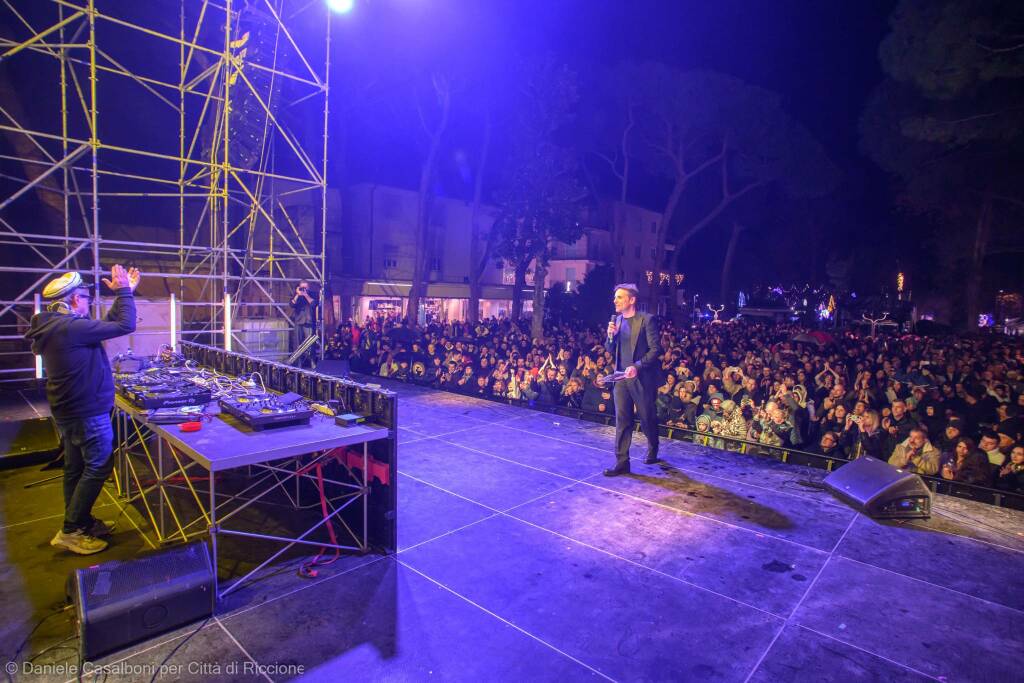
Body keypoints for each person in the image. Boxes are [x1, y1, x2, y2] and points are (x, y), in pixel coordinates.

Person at [25, 266, 139, 555]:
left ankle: (79, 522)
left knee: (75, 468)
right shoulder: (70, 327)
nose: (88, 302)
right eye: (85, 297)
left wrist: (126, 295)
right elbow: (126, 325)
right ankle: (72, 530)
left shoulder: (57, 327)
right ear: (74, 300)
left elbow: (111, 323)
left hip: (71, 411)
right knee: (99, 465)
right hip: (87, 412)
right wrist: (124, 291)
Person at [603, 283, 660, 476]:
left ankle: (653, 446)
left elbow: (655, 350)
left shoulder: (647, 320)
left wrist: (637, 366)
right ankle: (622, 461)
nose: (615, 301)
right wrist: (610, 336)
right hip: (620, 377)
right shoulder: (617, 321)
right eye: (615, 297)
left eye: (620, 297)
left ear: (632, 300)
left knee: (646, 417)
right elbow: (610, 350)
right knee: (623, 420)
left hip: (641, 378)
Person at [290, 279, 317, 363]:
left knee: (310, 344)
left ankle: (312, 361)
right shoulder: (296, 295)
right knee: (298, 344)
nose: (304, 289)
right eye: (302, 287)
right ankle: (298, 362)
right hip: (299, 322)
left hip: (309, 322)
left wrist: (306, 295)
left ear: (308, 287)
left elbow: (313, 304)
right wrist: (298, 294)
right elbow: (292, 304)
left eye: (305, 287)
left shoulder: (313, 294)